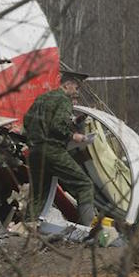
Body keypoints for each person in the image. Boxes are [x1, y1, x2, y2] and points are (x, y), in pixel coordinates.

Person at [23, 71, 95, 225]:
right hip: (52, 150)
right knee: (84, 184)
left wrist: (72, 122)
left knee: (38, 194)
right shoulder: (64, 100)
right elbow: (57, 125)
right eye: (76, 87)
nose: (77, 91)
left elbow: (27, 121)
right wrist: (74, 136)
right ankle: (87, 230)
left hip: (35, 152)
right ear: (67, 84)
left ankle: (29, 228)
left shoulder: (42, 98)